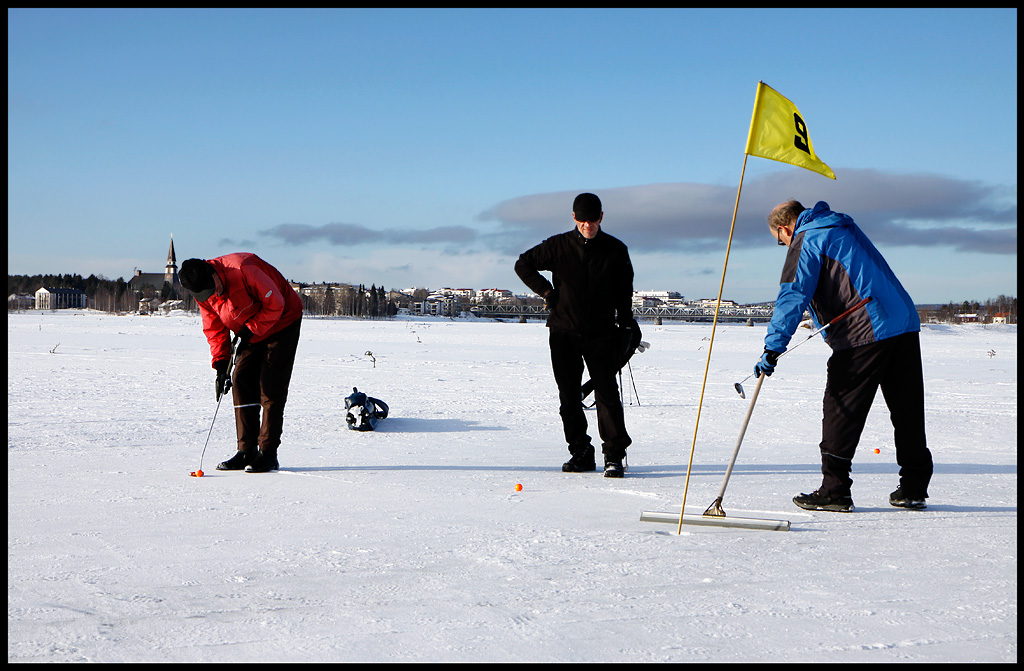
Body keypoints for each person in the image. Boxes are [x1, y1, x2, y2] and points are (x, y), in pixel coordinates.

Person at [756, 200, 933, 512]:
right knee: (906, 409)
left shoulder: (808, 239)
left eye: (778, 239)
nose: (782, 244)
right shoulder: (840, 227)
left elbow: (793, 294)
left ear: (785, 228)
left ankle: (835, 489)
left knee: (841, 407)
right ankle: (914, 486)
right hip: (902, 322)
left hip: (865, 330)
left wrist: (773, 347)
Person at [514, 193, 637, 478]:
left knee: (607, 395)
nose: (587, 226)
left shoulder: (616, 250)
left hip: (602, 333)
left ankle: (614, 456)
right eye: (582, 221)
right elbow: (523, 264)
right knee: (569, 397)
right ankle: (580, 452)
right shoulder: (558, 246)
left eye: (592, 221)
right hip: (563, 332)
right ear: (574, 218)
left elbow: (624, 290)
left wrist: (626, 323)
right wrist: (547, 292)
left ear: (601, 218)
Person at [179, 254, 303, 473]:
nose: (213, 294)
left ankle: (267, 453)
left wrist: (248, 332)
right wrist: (221, 363)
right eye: (205, 294)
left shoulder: (244, 269)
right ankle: (246, 451)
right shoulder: (203, 293)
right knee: (240, 378)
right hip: (250, 329)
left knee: (270, 384)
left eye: (212, 288)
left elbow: (275, 304)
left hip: (283, 321)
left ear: (213, 272)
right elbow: (214, 328)